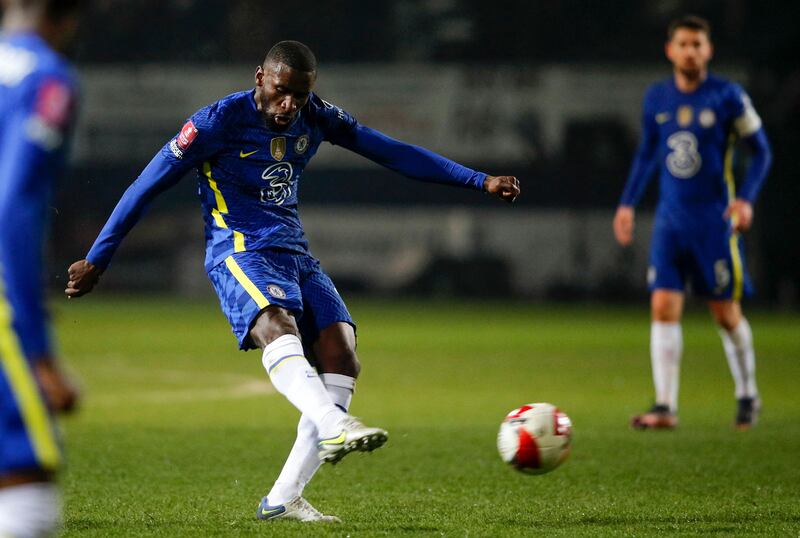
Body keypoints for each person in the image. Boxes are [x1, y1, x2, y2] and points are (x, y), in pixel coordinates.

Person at [64, 40, 520, 522]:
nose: (290, 106)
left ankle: (283, 498)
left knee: (342, 350)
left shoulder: (316, 116)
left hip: (294, 253)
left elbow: (391, 151)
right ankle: (332, 424)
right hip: (239, 250)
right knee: (276, 327)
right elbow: (146, 184)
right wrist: (99, 257)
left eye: (299, 96)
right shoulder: (216, 122)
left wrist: (477, 180)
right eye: (283, 92)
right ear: (260, 76)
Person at [613, 15, 771, 431]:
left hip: (713, 221)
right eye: (683, 44)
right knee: (663, 304)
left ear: (709, 50)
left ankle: (747, 394)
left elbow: (762, 152)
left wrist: (746, 200)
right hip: (670, 219)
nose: (690, 51)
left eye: (697, 44)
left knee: (724, 313)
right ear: (670, 50)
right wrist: (627, 204)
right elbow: (647, 154)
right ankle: (665, 406)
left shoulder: (727, 96)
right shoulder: (657, 97)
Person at [0, 0, 82, 536]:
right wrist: (39, 353)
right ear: (71, 18)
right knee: (26, 471)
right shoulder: (50, 81)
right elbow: (12, 208)